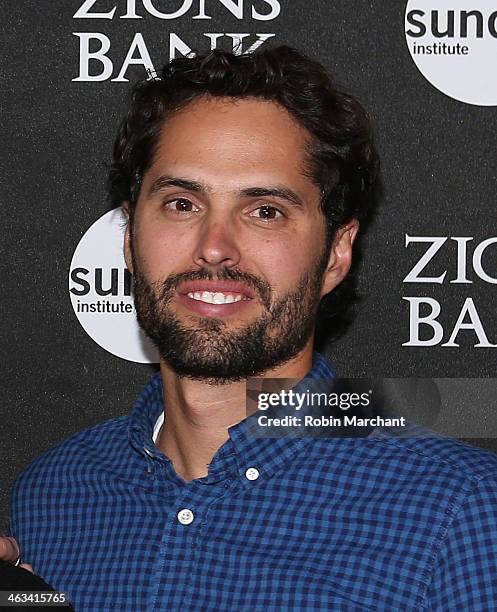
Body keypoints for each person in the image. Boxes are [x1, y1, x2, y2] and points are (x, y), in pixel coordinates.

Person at [3, 46, 497, 611]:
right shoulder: (53, 494)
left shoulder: (461, 514)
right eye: (182, 203)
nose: (215, 247)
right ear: (128, 240)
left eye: (265, 211)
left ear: (336, 253)